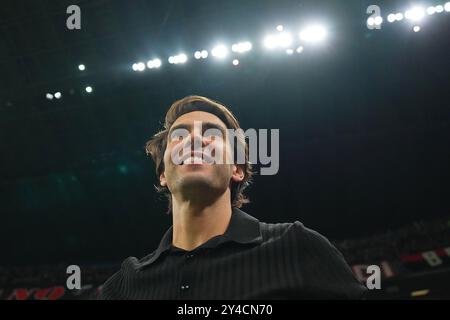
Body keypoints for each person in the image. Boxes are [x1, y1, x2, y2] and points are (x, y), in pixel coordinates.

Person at [97, 95, 367, 299]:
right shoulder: (124, 284)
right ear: (163, 176)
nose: (194, 140)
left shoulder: (297, 246)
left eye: (212, 134)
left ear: (236, 170)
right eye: (179, 136)